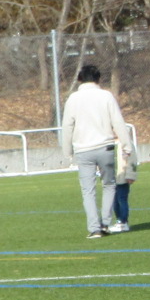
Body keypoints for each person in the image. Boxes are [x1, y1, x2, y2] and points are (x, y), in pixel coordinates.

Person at [60, 64, 131, 238]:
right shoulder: (106, 96)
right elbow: (118, 121)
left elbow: (67, 125)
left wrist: (67, 150)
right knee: (109, 185)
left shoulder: (73, 98)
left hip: (83, 150)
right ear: (98, 79)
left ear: (79, 79)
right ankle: (105, 224)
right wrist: (126, 145)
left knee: (88, 190)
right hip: (105, 147)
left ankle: (94, 228)